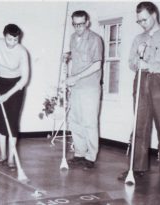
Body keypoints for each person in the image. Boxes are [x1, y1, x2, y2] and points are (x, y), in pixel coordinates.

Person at [117, 2, 160, 188]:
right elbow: (131, 63)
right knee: (140, 126)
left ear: (154, 14)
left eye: (144, 19)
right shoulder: (138, 38)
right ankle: (137, 168)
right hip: (141, 82)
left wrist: (150, 65)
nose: (141, 23)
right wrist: (138, 59)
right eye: (138, 20)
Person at [0, 24, 29, 171]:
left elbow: (24, 80)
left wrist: (7, 96)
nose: (12, 43)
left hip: (16, 87)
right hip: (0, 83)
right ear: (5, 36)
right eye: (9, 39)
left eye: (15, 40)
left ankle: (11, 158)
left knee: (12, 121)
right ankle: (3, 156)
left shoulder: (22, 52)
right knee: (1, 119)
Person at [63, 10, 103, 170]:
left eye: (80, 24)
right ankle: (79, 153)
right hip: (76, 87)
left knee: (89, 123)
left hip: (90, 88)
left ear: (87, 23)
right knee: (75, 121)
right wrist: (68, 57)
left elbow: (97, 65)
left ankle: (90, 157)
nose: (78, 27)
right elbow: (77, 57)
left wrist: (76, 77)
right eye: (74, 24)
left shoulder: (95, 39)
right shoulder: (73, 38)